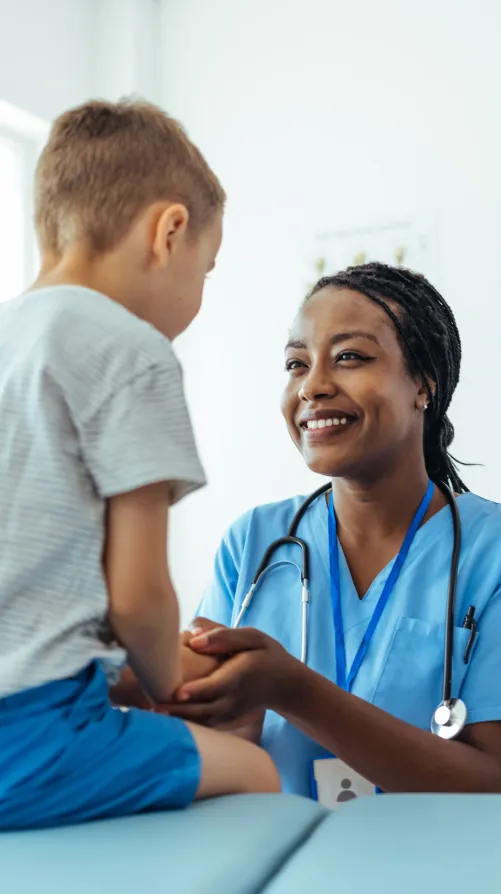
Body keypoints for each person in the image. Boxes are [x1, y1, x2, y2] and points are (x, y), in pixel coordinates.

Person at [166, 262, 501, 800]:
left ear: (423, 383)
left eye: (350, 357)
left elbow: (492, 783)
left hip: (447, 869)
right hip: (286, 862)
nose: (312, 386)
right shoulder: (254, 542)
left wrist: (294, 690)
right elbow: (207, 723)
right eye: (296, 364)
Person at [0, 100, 279, 831]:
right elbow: (138, 597)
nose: (199, 296)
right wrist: (170, 685)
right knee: (254, 768)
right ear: (170, 232)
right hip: (30, 737)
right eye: (207, 270)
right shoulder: (129, 348)